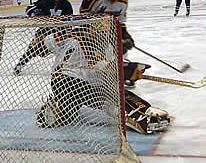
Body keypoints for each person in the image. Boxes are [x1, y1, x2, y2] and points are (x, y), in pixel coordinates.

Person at [35, 22, 170, 134]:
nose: (104, 32)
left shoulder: (103, 44)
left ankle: (142, 110)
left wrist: (127, 70)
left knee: (114, 97)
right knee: (67, 115)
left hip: (86, 84)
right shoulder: (81, 38)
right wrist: (127, 71)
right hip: (66, 81)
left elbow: (43, 45)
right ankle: (139, 117)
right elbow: (103, 66)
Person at [78, 0, 170, 134]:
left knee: (121, 52)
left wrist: (126, 36)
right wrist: (96, 30)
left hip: (110, 35)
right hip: (91, 36)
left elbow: (121, 23)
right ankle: (108, 81)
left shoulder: (122, 1)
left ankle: (122, 76)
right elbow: (83, 18)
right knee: (98, 64)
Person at [80, 0, 135, 87]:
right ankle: (96, 80)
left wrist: (125, 35)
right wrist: (92, 29)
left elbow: (120, 21)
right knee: (97, 56)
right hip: (91, 32)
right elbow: (83, 15)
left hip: (110, 31)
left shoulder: (122, 1)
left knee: (122, 48)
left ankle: (124, 74)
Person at [13, 0, 73, 75]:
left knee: (64, 49)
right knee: (33, 48)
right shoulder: (45, 1)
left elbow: (70, 20)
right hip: (45, 29)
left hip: (60, 32)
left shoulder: (66, 4)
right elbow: (29, 9)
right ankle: (20, 65)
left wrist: (67, 30)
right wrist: (35, 14)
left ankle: (62, 68)